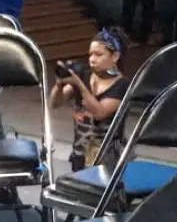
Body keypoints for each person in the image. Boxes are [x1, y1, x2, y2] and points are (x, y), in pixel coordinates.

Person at [49, 29, 130, 172]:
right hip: (80, 154)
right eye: (91, 54)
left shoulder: (122, 85)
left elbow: (100, 112)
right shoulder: (84, 77)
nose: (92, 59)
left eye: (98, 55)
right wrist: (59, 84)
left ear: (115, 56)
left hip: (108, 159)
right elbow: (55, 103)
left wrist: (79, 85)